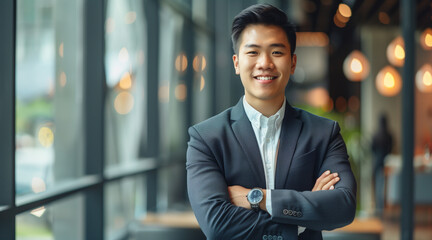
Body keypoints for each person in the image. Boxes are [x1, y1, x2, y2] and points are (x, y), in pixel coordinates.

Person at [186, 4, 356, 239]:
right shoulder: (206, 138)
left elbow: (343, 206)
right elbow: (217, 224)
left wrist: (259, 197)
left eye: (276, 52)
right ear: (237, 63)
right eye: (253, 52)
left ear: (293, 63)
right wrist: (301, 219)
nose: (264, 63)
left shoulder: (323, 133)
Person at [371, 114, 393, 217]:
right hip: (385, 163)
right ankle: (381, 208)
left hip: (377, 162)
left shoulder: (376, 135)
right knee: (384, 187)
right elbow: (391, 148)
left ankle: (379, 208)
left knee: (379, 187)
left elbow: (372, 148)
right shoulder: (389, 135)